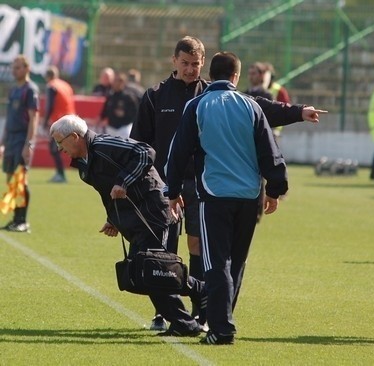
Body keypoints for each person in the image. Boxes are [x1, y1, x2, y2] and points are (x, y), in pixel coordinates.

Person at [130, 36, 326, 330]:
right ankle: (166, 310)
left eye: (196, 64)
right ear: (174, 61)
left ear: (203, 64)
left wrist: (297, 112)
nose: (190, 69)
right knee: (164, 248)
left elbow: (260, 107)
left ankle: (200, 310)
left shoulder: (210, 93)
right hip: (162, 184)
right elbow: (139, 145)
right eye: (185, 63)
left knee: (199, 245)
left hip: (202, 184)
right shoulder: (155, 96)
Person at [166, 51, 288, 345]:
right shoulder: (250, 106)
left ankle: (220, 328)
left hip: (214, 195)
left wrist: (172, 191)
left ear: (212, 72)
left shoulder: (198, 105)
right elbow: (270, 152)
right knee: (236, 262)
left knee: (216, 263)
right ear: (236, 76)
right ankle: (224, 319)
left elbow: (179, 151)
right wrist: (274, 189)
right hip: (249, 196)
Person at [50, 114, 205, 338]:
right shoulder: (83, 165)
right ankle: (196, 298)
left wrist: (123, 181)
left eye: (59, 142)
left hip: (155, 212)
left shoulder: (104, 145)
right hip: (134, 220)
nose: (58, 148)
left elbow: (146, 152)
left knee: (154, 269)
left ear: (75, 136)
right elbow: (107, 193)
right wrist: (113, 219)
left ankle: (189, 314)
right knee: (141, 273)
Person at [0, 55, 39, 233]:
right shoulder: (14, 90)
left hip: (22, 139)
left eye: (17, 67)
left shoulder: (30, 90)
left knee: (21, 180)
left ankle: (22, 220)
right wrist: (3, 140)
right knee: (11, 179)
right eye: (13, 67)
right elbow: (10, 118)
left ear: (26, 69)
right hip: (10, 140)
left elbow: (33, 118)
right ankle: (16, 218)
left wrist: (28, 144)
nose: (14, 70)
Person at [42, 65, 75, 183]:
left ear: (48, 76)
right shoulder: (65, 85)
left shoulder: (52, 86)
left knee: (54, 148)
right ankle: (61, 174)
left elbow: (50, 106)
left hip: (61, 121)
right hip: (72, 119)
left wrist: (45, 122)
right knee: (70, 148)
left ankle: (61, 175)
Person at [99, 72, 139, 138]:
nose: (114, 83)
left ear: (122, 82)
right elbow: (104, 111)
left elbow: (135, 113)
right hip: (111, 128)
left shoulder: (129, 97)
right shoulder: (110, 96)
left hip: (124, 128)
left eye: (117, 81)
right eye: (114, 81)